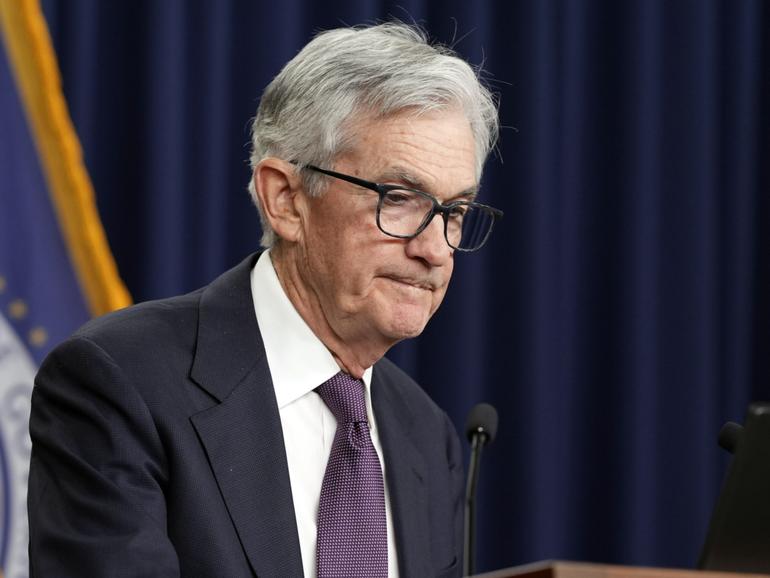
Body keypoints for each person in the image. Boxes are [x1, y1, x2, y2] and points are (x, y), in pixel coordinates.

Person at [27, 22, 501, 578]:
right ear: (286, 200)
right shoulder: (120, 383)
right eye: (398, 198)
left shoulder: (426, 435)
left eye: (454, 212)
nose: (434, 249)